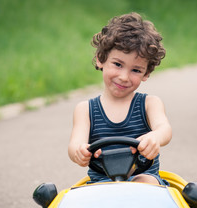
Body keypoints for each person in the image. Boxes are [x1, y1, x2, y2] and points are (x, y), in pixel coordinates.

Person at [68, 12, 172, 185]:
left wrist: (155, 137)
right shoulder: (85, 109)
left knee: (144, 182)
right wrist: (79, 152)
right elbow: (75, 144)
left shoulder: (149, 104)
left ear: (146, 73)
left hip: (143, 181)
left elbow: (164, 129)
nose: (124, 77)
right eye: (118, 64)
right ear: (101, 59)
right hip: (102, 183)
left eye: (136, 70)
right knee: (87, 195)